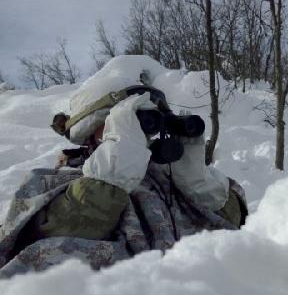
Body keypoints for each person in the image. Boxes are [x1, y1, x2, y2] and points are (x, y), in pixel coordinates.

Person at [0, 71, 247, 278]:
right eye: (126, 120)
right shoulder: (50, 182)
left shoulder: (171, 179)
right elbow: (39, 258)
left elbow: (237, 238)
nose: (142, 131)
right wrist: (111, 172)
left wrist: (199, 184)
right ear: (91, 131)